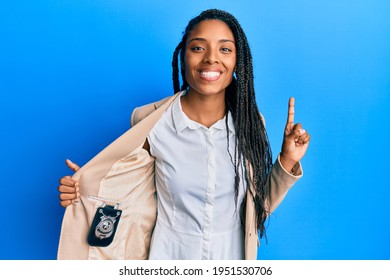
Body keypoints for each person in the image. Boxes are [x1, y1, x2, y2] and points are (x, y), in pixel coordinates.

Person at [57, 9, 310, 260]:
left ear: (238, 61)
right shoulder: (151, 122)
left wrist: (286, 161)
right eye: (198, 48)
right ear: (183, 56)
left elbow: (256, 211)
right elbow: (123, 192)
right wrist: (85, 189)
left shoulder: (250, 125)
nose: (211, 58)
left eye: (225, 49)